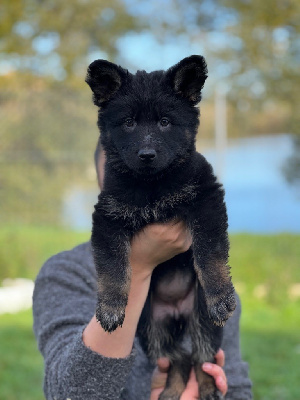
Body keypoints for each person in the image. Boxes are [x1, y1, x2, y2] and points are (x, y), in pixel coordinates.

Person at [33, 143, 252, 400]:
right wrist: (135, 269)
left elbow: (236, 389)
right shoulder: (68, 274)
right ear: (104, 189)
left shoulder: (207, 283)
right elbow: (71, 394)